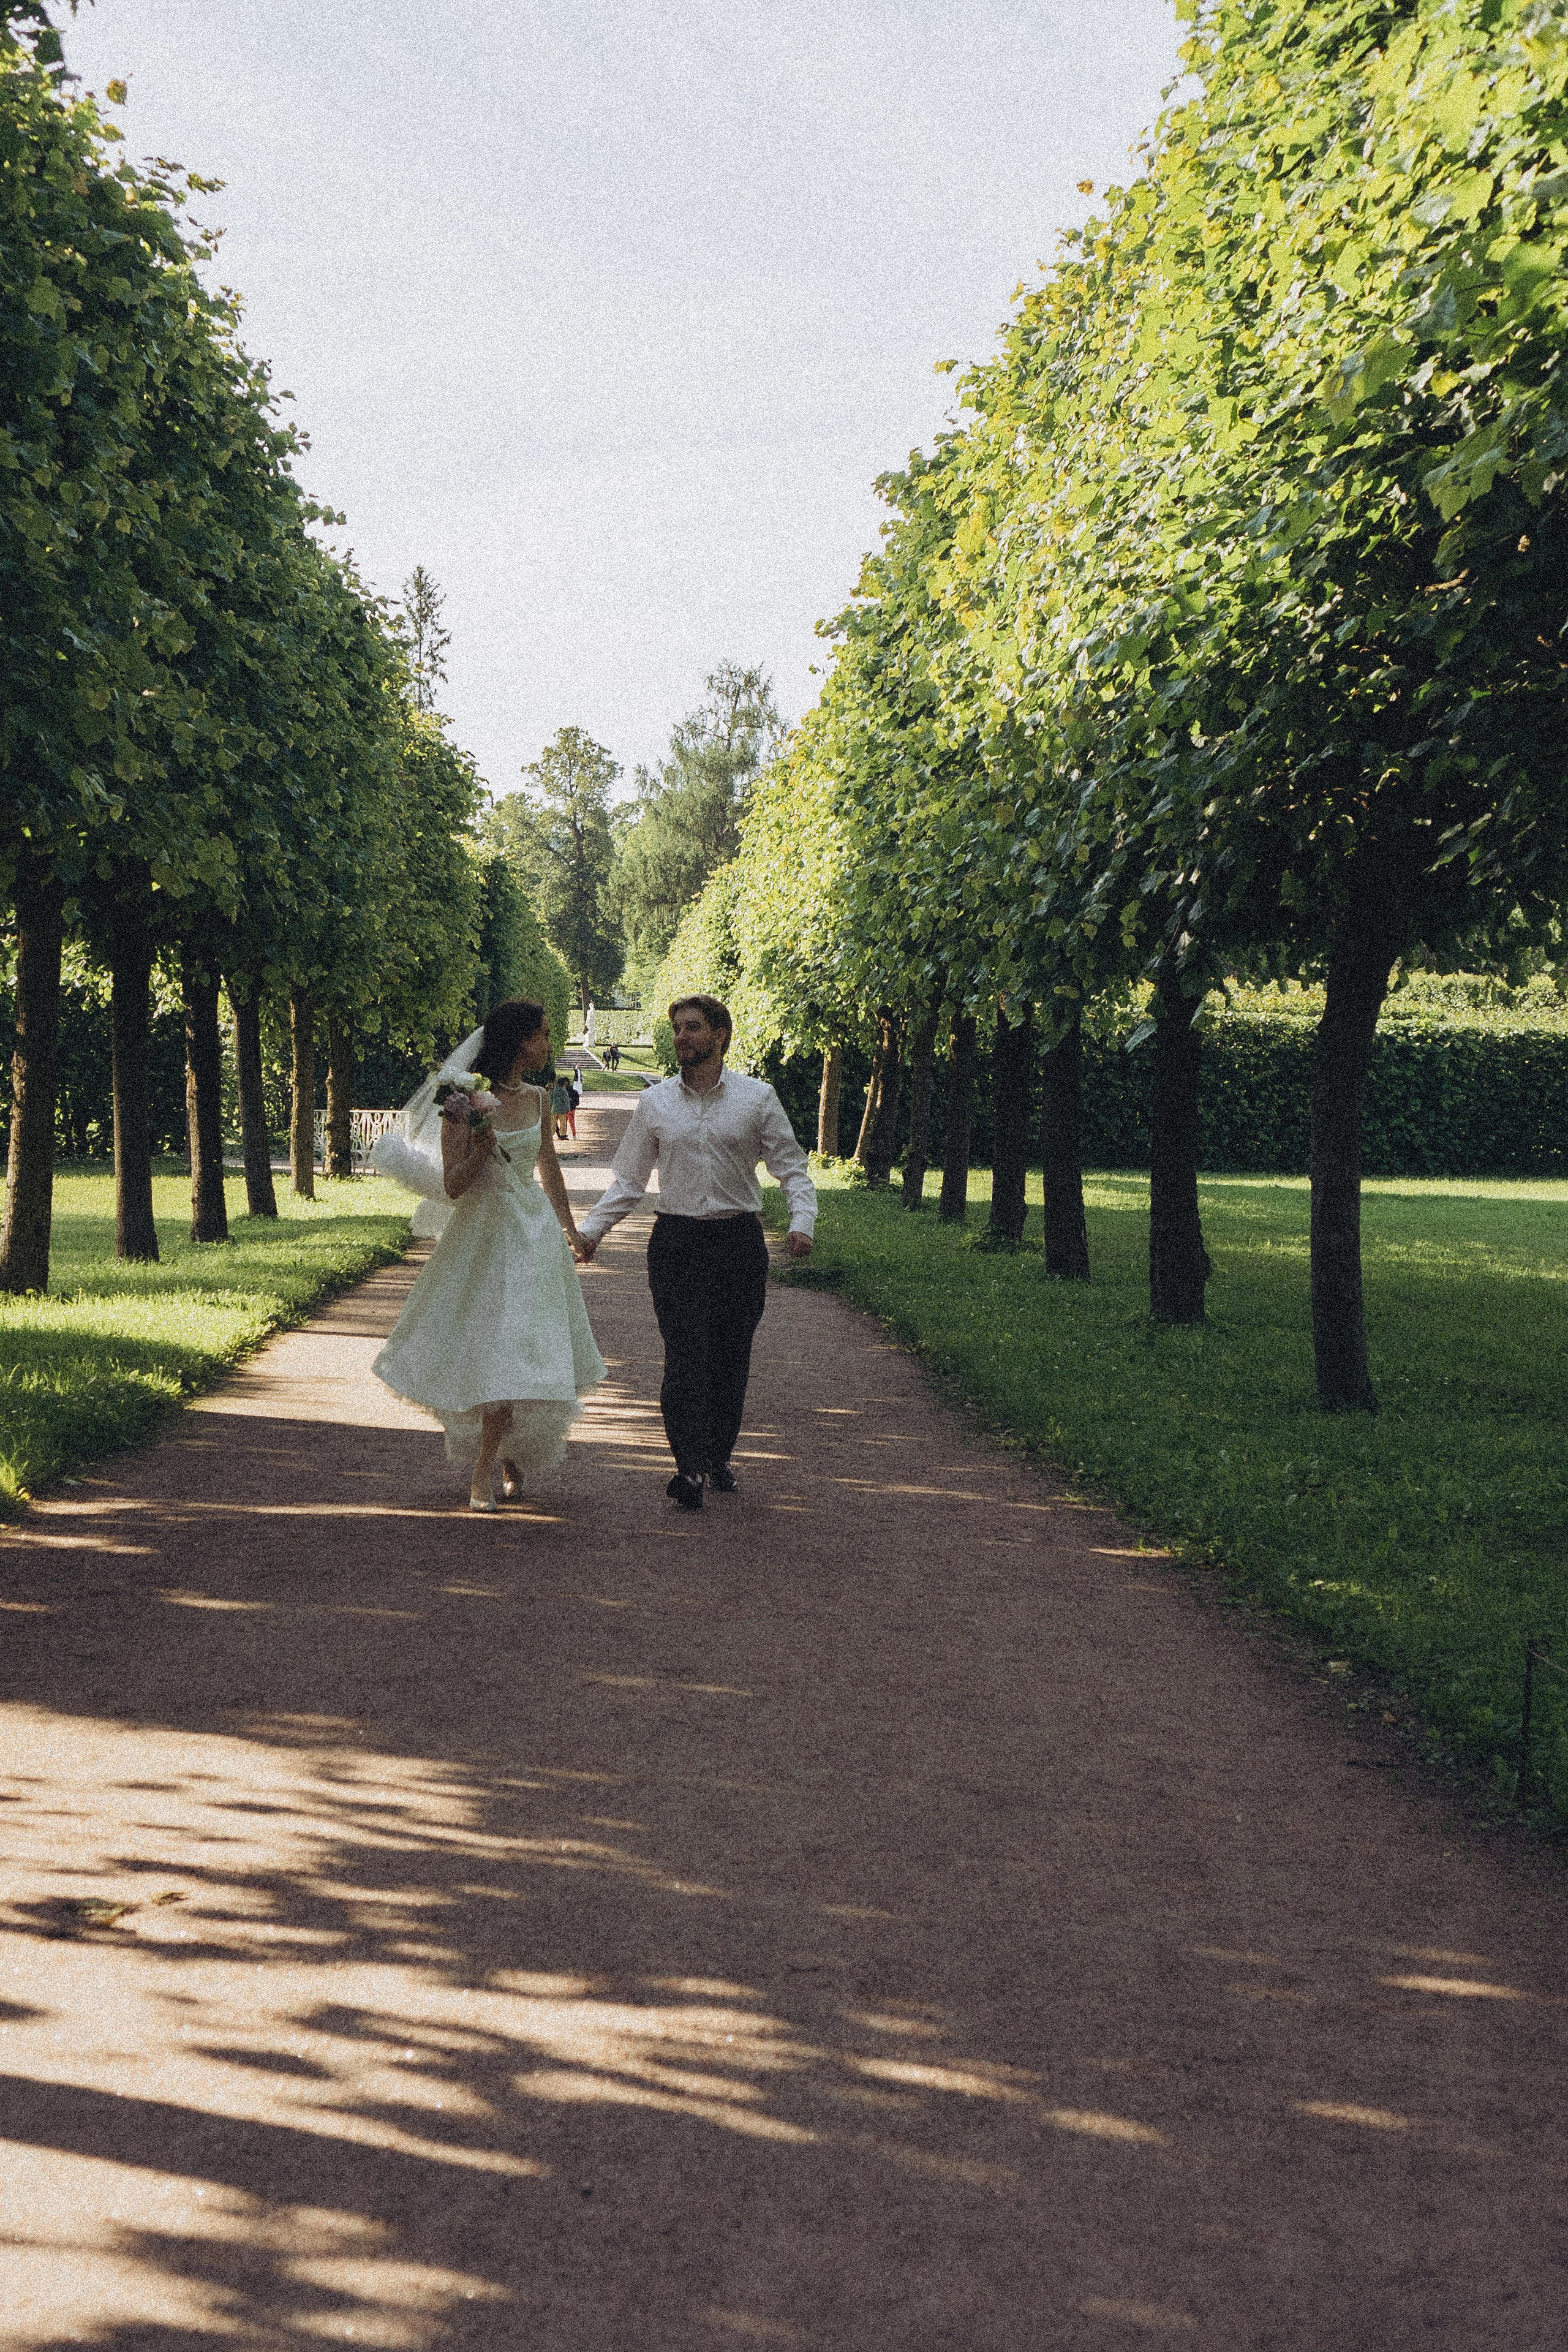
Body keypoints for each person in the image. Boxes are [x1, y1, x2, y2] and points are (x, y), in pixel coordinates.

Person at [577, 993, 815, 1511]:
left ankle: (718, 1455)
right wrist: (592, 1231)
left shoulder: (757, 1098)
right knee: (685, 1356)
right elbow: (629, 1180)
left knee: (731, 1357)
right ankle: (688, 1468)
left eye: (694, 1027)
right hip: (677, 1244)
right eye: (678, 1028)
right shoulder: (655, 1102)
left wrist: (802, 1223)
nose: (683, 1036)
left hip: (737, 1244)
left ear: (720, 1035)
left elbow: (791, 1168)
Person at [369, 999, 605, 1512]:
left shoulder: (543, 1099)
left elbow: (549, 1170)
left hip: (533, 1235)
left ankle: (500, 1457)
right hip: (483, 1232)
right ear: (521, 1041)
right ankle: (488, 1463)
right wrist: (479, 1144)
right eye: (543, 1033)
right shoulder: (462, 1098)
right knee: (491, 1344)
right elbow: (453, 1187)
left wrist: (572, 1231)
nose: (549, 1041)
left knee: (521, 1342)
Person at [550, 1069, 573, 1141]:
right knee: (563, 1123)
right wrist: (568, 1109)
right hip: (562, 1110)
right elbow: (566, 1101)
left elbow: (551, 1099)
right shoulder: (564, 1091)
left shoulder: (554, 1090)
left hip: (554, 1109)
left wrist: (550, 1106)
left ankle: (551, 1134)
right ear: (563, 1084)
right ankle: (562, 1135)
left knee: (553, 1123)